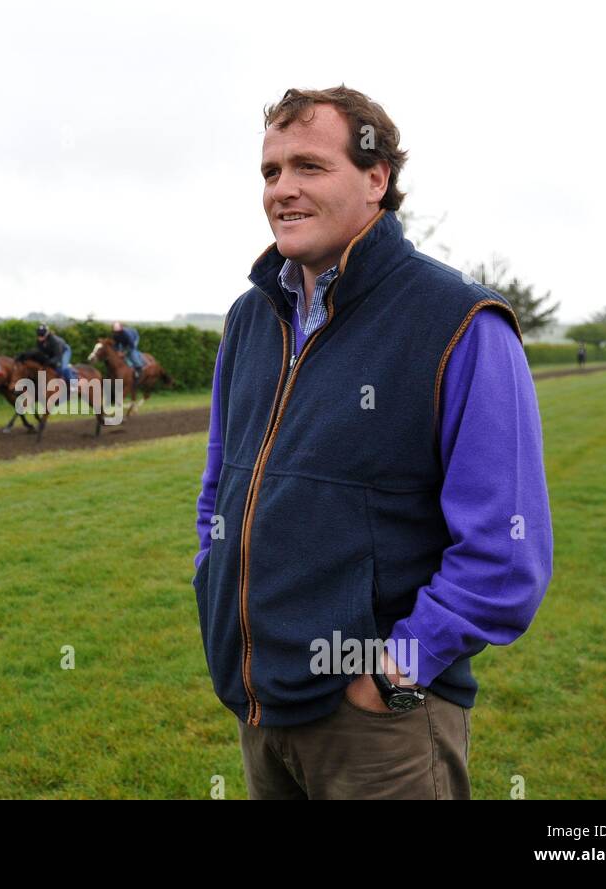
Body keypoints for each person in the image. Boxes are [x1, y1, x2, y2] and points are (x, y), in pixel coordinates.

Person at [192, 86, 552, 799]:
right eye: (270, 172)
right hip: (261, 708)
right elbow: (219, 487)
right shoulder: (249, 317)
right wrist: (211, 573)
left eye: (309, 167)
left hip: (379, 726)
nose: (283, 190)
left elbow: (506, 555)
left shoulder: (460, 322)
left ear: (376, 178)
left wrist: (392, 669)